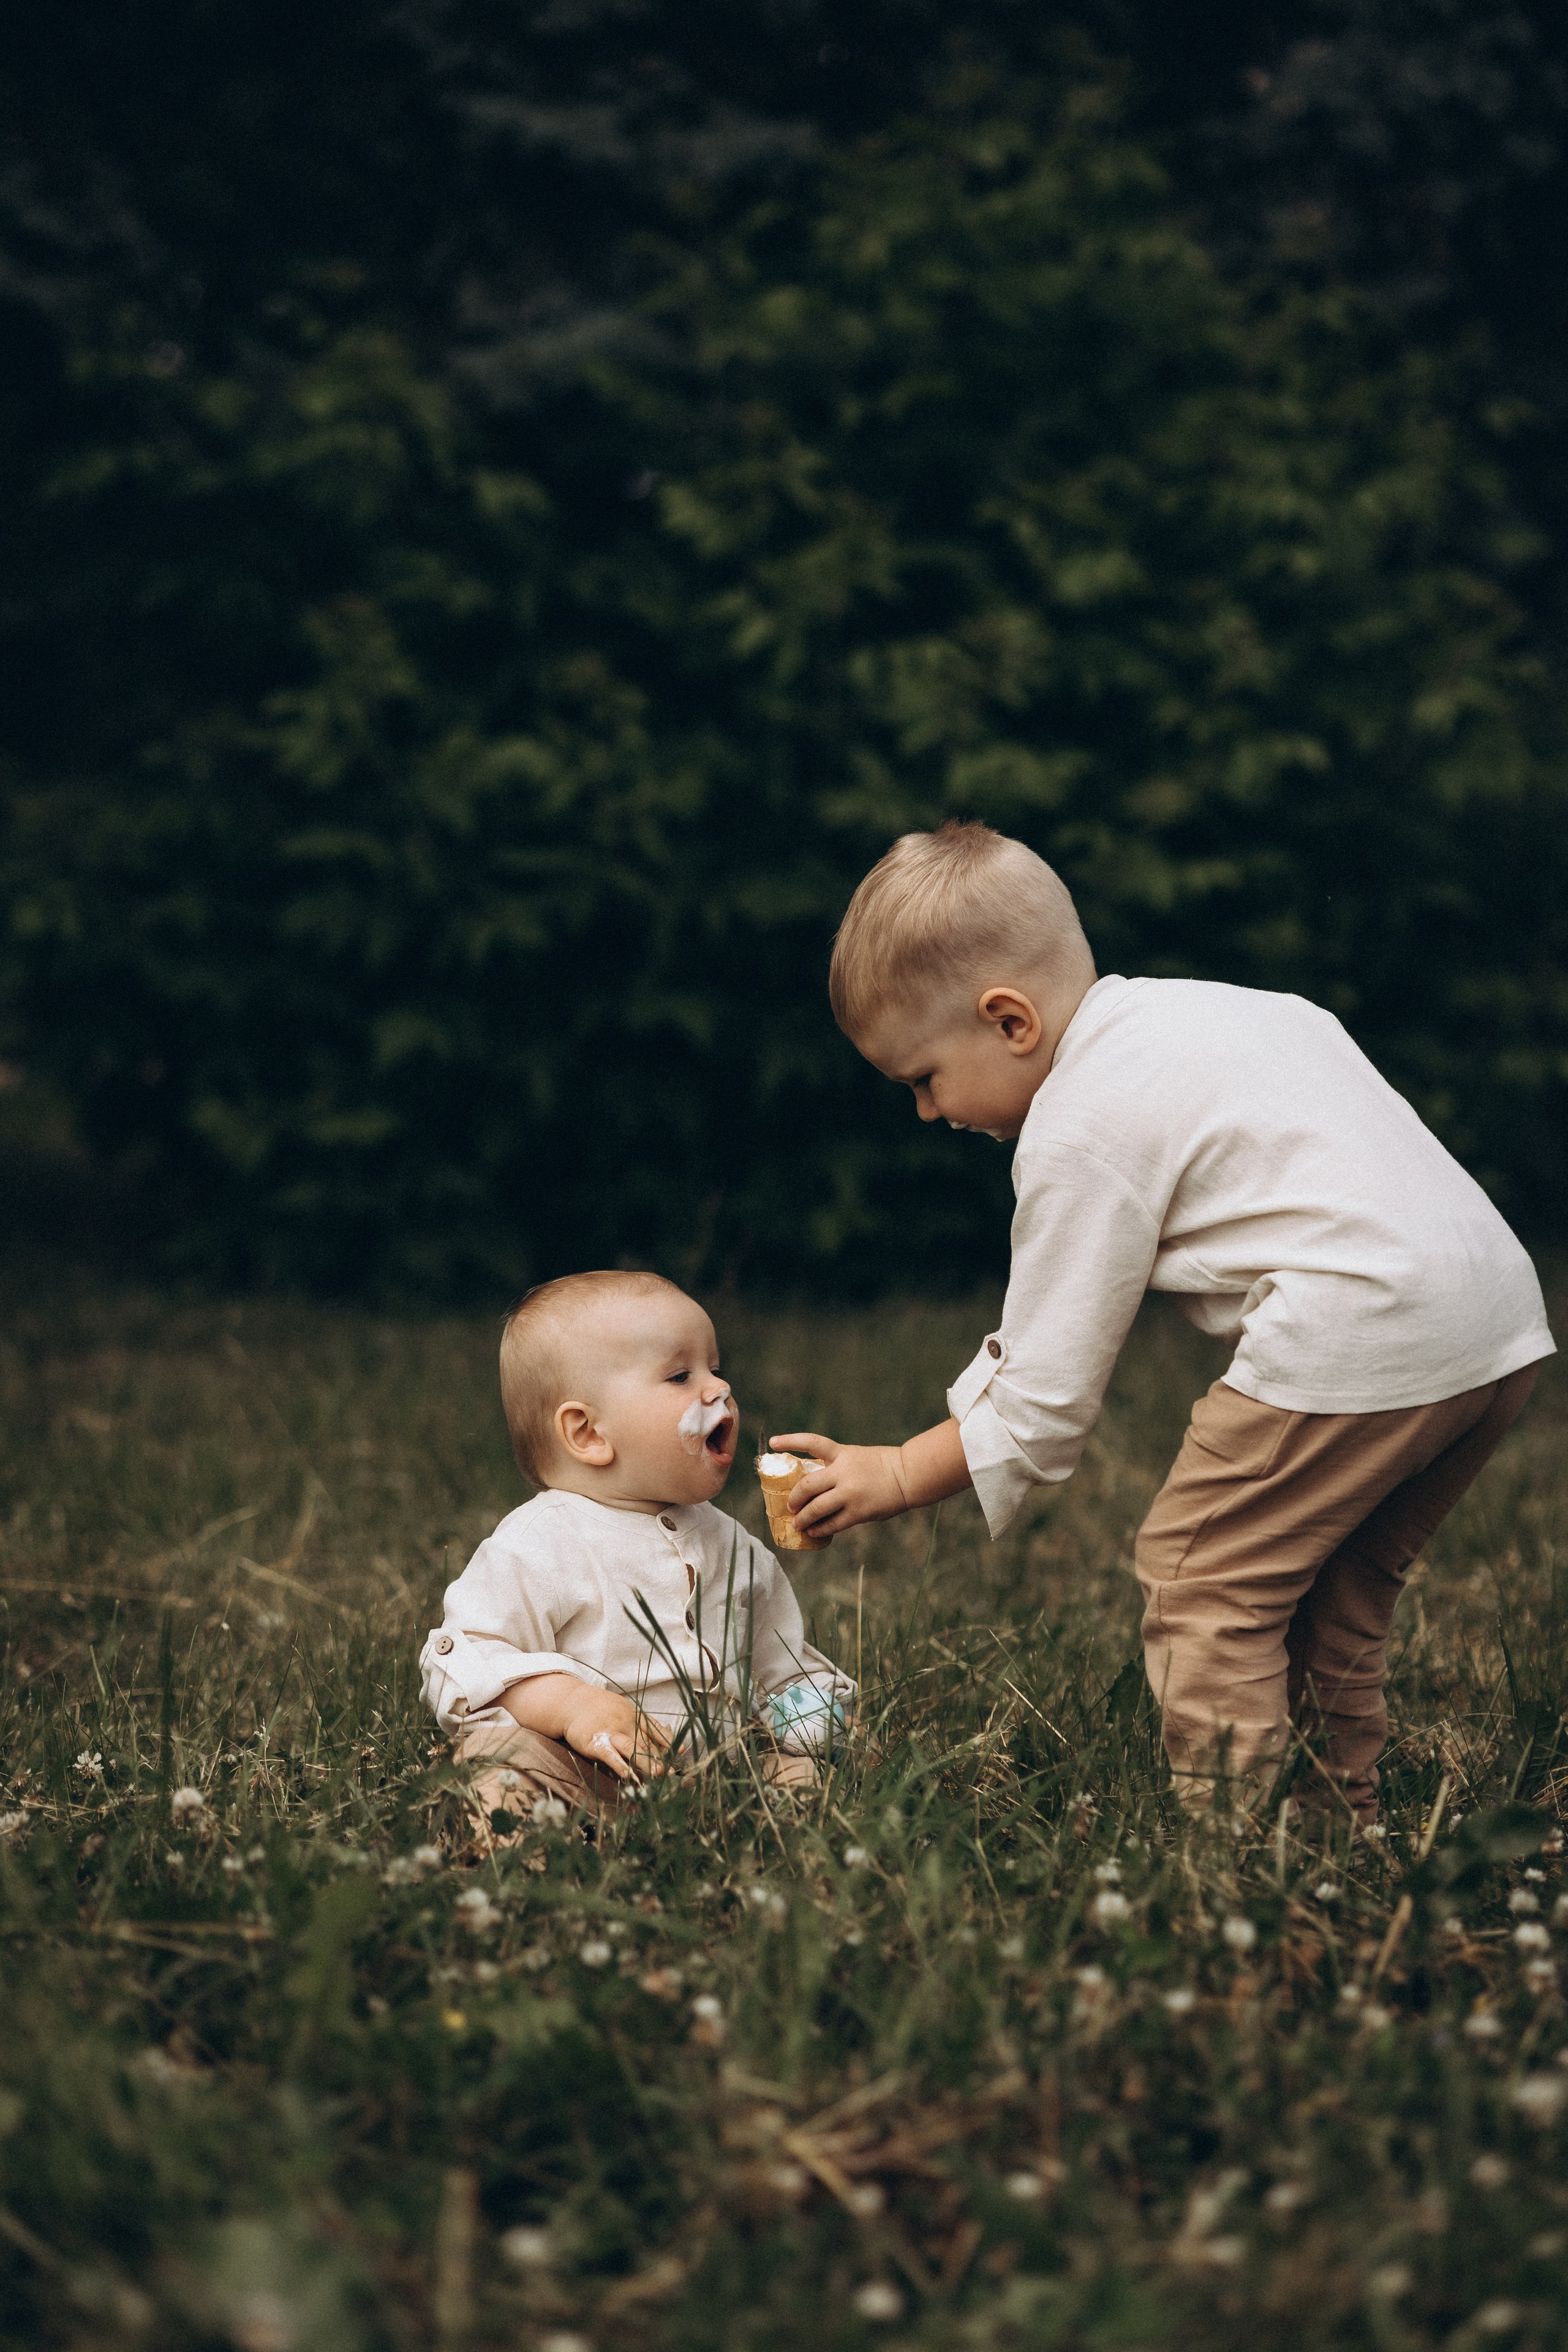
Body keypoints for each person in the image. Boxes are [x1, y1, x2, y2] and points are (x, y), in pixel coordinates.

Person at [771, 821, 1554, 1819]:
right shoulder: (1234, 1013)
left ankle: (1231, 1855)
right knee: (1335, 1590)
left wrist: (894, 1471)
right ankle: (1328, 1824)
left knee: (1203, 1581)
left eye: (923, 1080)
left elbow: (1044, 1401)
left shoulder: (1080, 1124)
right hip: (1494, 1322)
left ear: (1010, 1021)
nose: (927, 1113)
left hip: (1361, 1324)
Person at [421, 1270, 853, 1841]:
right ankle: (521, 1851)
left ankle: (785, 1843)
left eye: (716, 1370)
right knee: (496, 1760)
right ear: (588, 1433)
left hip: (723, 1778)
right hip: (585, 1780)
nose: (717, 1391)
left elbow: (780, 1666)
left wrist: (807, 1709)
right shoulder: (542, 1543)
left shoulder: (734, 1546)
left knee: (812, 1772)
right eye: (680, 1376)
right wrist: (573, 1707)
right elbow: (464, 1661)